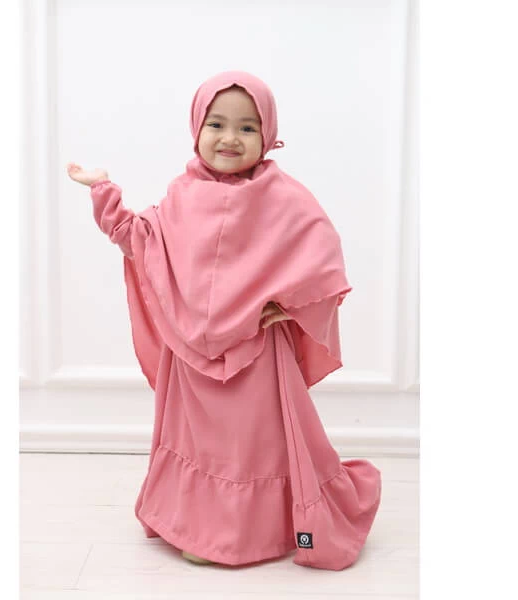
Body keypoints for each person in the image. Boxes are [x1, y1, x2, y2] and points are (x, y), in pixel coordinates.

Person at [66, 71, 381, 570]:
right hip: (190, 361)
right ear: (197, 128)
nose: (230, 138)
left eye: (247, 127)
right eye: (216, 124)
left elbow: (323, 262)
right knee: (201, 444)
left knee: (250, 446)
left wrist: (291, 305)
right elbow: (137, 240)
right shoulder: (181, 197)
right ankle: (197, 523)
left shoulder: (284, 198)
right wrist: (103, 190)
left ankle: (250, 531)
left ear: (268, 135)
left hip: (255, 356)